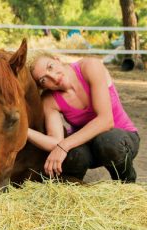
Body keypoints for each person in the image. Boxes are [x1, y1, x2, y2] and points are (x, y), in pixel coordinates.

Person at [26, 51, 140, 182]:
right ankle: (76, 190)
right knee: (73, 154)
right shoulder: (49, 100)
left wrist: (63, 145)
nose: (53, 76)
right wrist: (24, 131)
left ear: (57, 59)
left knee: (107, 141)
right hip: (88, 146)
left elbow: (106, 121)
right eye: (43, 79)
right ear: (41, 86)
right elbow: (55, 141)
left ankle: (127, 182)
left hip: (121, 141)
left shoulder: (90, 66)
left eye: (50, 67)